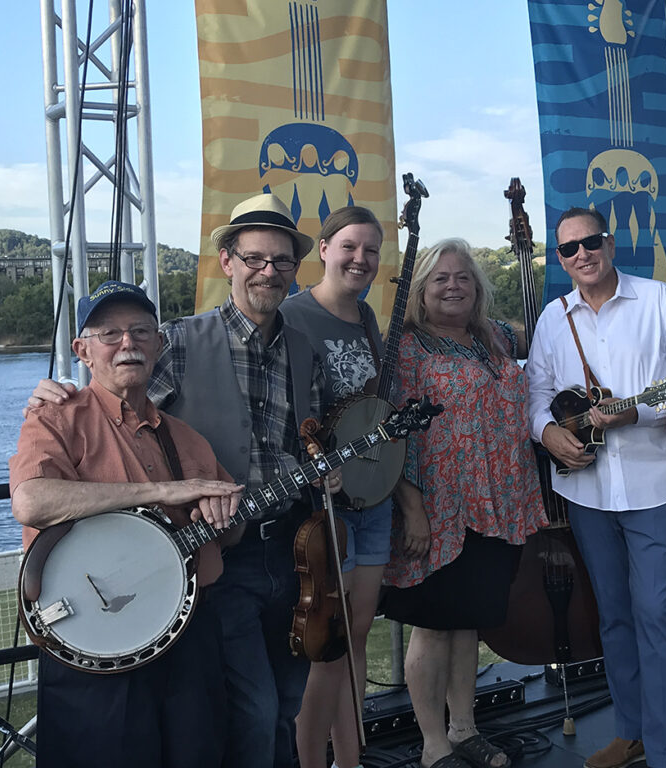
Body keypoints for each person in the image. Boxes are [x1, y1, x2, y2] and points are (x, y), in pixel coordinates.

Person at [27, 193, 336, 768]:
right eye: (254, 259)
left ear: (295, 269)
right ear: (227, 262)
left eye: (281, 262)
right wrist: (58, 393)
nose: (269, 272)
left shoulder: (304, 349)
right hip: (217, 561)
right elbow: (116, 386)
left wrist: (328, 468)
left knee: (283, 704)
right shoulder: (178, 341)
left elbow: (306, 440)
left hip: (294, 547)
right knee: (251, 706)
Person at [10, 281, 242, 767]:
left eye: (140, 331)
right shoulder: (57, 418)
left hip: (187, 637)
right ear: (82, 349)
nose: (127, 343)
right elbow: (32, 501)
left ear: (158, 344)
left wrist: (220, 517)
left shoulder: (188, 439)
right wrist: (162, 492)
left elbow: (230, 533)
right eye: (109, 333)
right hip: (95, 645)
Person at [524, 207, 666, 768]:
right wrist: (549, 433)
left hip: (656, 485)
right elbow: (536, 393)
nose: (582, 255)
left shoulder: (658, 300)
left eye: (590, 242)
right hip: (587, 492)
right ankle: (633, 734)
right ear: (560, 258)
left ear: (609, 241)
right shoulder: (554, 318)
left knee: (658, 614)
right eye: (569, 249)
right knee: (614, 617)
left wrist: (636, 415)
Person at [380, 238, 549, 768]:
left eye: (463, 277)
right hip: (439, 506)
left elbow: (548, 345)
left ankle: (465, 729)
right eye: (440, 278)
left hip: (498, 502)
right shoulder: (404, 348)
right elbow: (390, 432)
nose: (453, 286)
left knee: (468, 620)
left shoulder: (494, 339)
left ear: (478, 287)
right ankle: (433, 744)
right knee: (433, 622)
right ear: (421, 290)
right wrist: (412, 507)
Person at [280, 206, 392, 768]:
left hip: (372, 498)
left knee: (356, 636)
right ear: (323, 249)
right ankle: (309, 760)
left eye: (371, 249)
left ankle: (349, 760)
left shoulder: (368, 318)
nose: (361, 259)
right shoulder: (292, 315)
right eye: (349, 246)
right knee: (327, 648)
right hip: (325, 508)